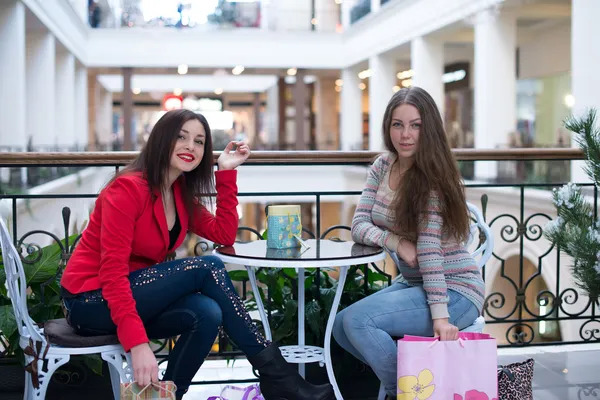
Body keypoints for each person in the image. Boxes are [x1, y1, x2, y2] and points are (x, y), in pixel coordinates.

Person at [60, 109, 334, 400]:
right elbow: (113, 272)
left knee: (207, 313)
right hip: (90, 300)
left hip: (129, 294)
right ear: (161, 140)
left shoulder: (178, 194)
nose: (191, 146)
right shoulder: (126, 190)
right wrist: (137, 344)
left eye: (200, 141)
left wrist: (226, 171)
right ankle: (280, 377)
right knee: (208, 266)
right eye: (181, 137)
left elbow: (224, 234)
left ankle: (166, 395)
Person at [332, 87, 485, 399]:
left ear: (428, 128)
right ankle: (416, 384)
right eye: (397, 124)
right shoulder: (382, 166)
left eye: (415, 125)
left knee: (359, 321)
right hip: (413, 283)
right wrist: (397, 242)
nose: (405, 135)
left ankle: (400, 392)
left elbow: (429, 252)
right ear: (387, 127)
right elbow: (359, 225)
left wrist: (441, 318)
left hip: (455, 290)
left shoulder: (433, 180)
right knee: (339, 326)